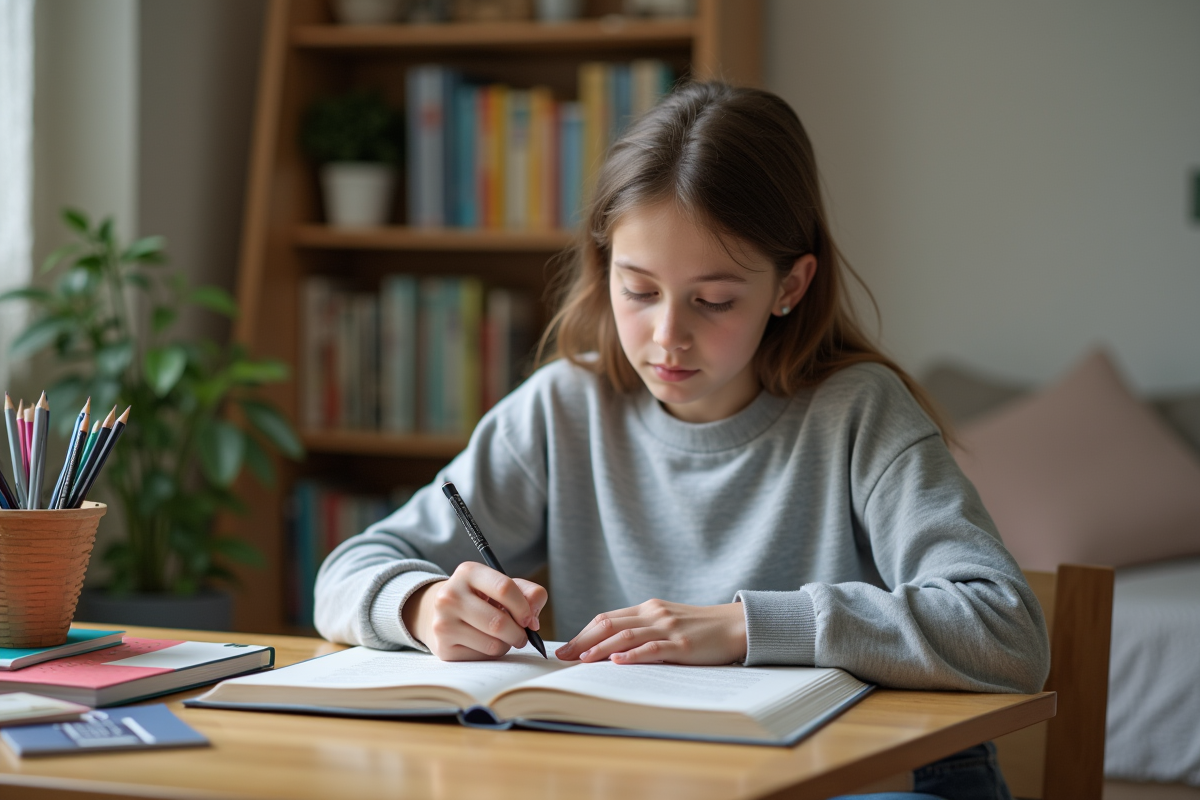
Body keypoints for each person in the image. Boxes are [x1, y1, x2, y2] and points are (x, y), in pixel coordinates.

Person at [315, 81, 1048, 800]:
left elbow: (1006, 632)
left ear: (790, 286)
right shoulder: (563, 409)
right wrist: (421, 605)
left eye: (715, 300)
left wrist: (742, 625)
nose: (668, 337)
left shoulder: (858, 413)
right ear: (604, 268)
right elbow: (349, 570)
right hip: (657, 775)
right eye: (638, 290)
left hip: (867, 776)